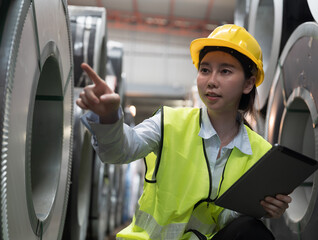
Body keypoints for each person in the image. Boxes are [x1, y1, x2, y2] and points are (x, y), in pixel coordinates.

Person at [77, 24, 292, 240]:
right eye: (205, 70)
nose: (211, 81)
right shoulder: (169, 122)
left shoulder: (260, 154)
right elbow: (119, 151)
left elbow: (230, 222)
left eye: (225, 71)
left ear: (248, 83)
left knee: (253, 231)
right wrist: (109, 117)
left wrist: (263, 207)